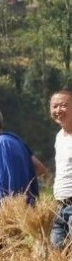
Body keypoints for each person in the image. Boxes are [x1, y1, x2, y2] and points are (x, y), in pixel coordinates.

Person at [0, 105, 39, 210]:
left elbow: (10, 184)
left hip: (12, 213)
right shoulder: (13, 140)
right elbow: (39, 168)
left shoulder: (2, 144)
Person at [52, 89, 72, 248]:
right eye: (54, 106)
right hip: (59, 206)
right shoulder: (59, 136)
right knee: (57, 255)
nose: (58, 110)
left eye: (63, 106)